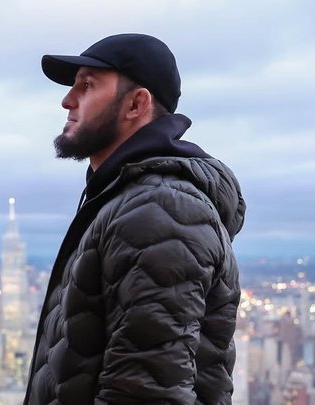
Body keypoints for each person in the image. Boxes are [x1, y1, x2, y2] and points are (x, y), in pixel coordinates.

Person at [25, 34, 245, 404]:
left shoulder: (160, 210)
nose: (67, 100)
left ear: (136, 104)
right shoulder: (127, 199)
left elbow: (147, 393)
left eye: (87, 86)